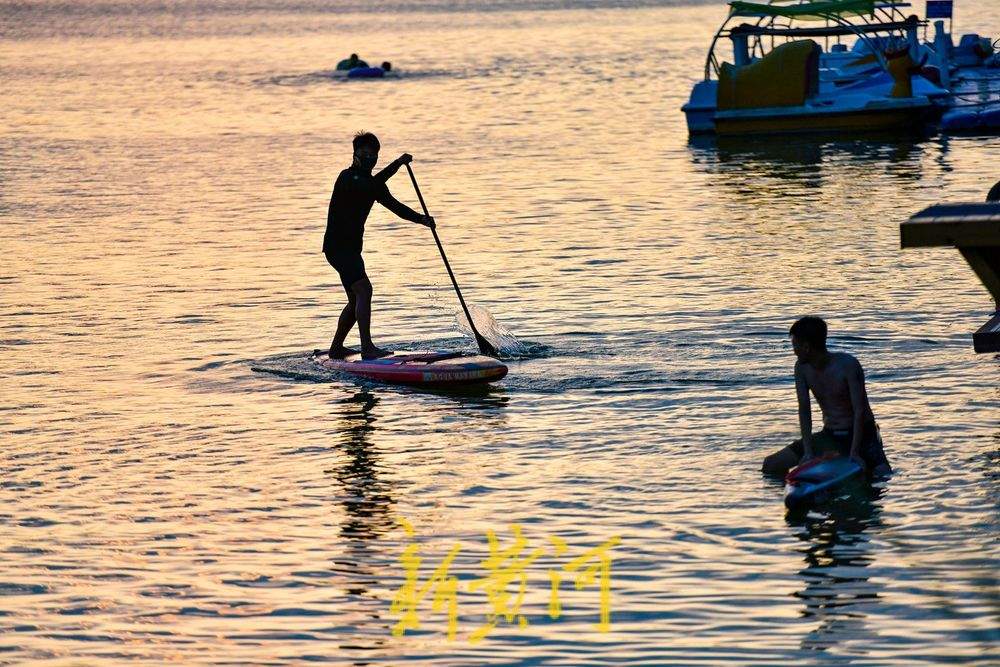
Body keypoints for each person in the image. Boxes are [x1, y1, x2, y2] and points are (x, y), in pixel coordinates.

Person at [323, 132, 434, 360]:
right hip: (337, 247)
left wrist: (422, 219)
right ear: (354, 155)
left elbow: (397, 207)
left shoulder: (374, 186)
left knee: (356, 299)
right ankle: (367, 348)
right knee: (365, 290)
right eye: (364, 154)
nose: (369, 159)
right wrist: (397, 165)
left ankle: (336, 348)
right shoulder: (347, 178)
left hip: (352, 249)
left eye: (373, 155)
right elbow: (367, 186)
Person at [762, 316, 891, 478]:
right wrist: (808, 452)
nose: (793, 350)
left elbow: (859, 411)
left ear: (806, 347)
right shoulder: (802, 368)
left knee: (882, 474)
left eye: (795, 345)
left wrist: (855, 453)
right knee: (770, 465)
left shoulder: (848, 365)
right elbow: (804, 410)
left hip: (862, 435)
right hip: (830, 435)